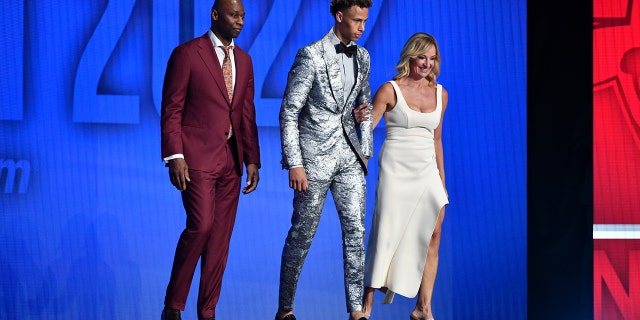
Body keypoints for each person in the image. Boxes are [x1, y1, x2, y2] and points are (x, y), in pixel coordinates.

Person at [159, 0, 260, 319]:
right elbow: (172, 109)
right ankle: (173, 305)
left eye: (243, 16)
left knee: (219, 241)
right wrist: (174, 155)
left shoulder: (244, 60)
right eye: (234, 15)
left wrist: (253, 159)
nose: (240, 21)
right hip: (196, 159)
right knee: (200, 226)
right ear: (215, 15)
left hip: (231, 162)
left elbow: (246, 113)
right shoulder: (187, 54)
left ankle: (208, 312)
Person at [275, 1, 374, 319]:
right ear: (339, 16)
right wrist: (294, 161)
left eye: (365, 21)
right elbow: (289, 111)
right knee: (302, 233)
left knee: (356, 231)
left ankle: (356, 310)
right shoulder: (311, 55)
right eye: (357, 20)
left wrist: (365, 151)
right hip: (314, 159)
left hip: (348, 156)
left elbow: (364, 105)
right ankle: (286, 309)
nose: (362, 27)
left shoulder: (362, 56)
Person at [361, 32, 449, 320]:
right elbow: (367, 131)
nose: (426, 63)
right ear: (411, 55)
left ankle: (423, 309)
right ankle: (366, 308)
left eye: (432, 58)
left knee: (433, 234)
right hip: (396, 170)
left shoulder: (440, 93)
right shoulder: (389, 90)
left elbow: (437, 139)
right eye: (422, 56)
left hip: (427, 171)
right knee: (385, 234)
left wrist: (442, 184)